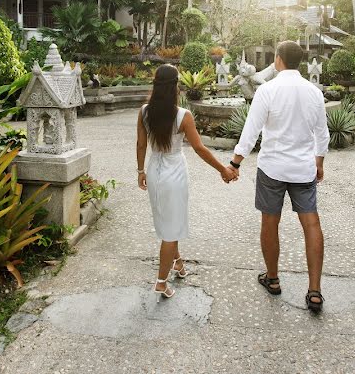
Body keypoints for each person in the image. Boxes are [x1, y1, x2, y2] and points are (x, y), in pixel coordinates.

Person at [227, 40, 329, 313]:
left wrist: (235, 163)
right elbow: (322, 133)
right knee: (311, 224)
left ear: (279, 60)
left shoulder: (267, 90)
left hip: (272, 167)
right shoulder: (314, 92)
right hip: (303, 168)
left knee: (270, 222)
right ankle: (315, 291)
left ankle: (272, 279)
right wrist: (319, 161)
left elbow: (251, 131)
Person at [136, 64, 238, 299]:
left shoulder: (144, 112)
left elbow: (141, 145)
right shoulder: (183, 115)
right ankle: (161, 282)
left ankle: (178, 263)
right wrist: (223, 169)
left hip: (154, 170)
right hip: (174, 172)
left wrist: (140, 170)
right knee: (171, 229)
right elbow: (199, 148)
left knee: (168, 221)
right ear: (175, 86)